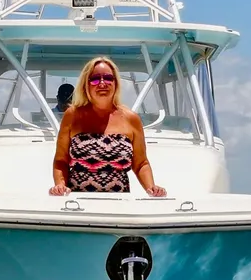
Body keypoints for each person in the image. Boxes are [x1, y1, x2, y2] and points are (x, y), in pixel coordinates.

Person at [49, 56, 167, 196]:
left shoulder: (131, 119)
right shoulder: (72, 115)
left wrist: (152, 188)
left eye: (108, 78)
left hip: (119, 206)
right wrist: (60, 185)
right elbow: (61, 161)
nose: (102, 83)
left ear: (116, 83)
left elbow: (141, 163)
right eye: (95, 78)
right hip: (77, 204)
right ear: (85, 84)